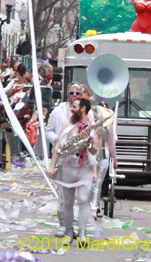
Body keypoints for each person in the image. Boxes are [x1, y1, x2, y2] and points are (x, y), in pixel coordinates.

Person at [46, 97, 101, 242]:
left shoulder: (93, 127)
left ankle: (82, 233)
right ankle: (69, 233)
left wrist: (88, 142)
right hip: (67, 167)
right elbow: (58, 147)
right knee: (68, 202)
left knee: (83, 200)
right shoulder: (67, 126)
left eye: (75, 107)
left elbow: (95, 151)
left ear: (83, 109)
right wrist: (52, 166)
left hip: (85, 168)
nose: (72, 109)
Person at [89, 102, 118, 219]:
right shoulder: (89, 124)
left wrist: (115, 159)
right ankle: (88, 207)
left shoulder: (108, 126)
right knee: (90, 182)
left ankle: (93, 208)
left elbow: (111, 143)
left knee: (97, 182)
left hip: (102, 155)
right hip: (91, 153)